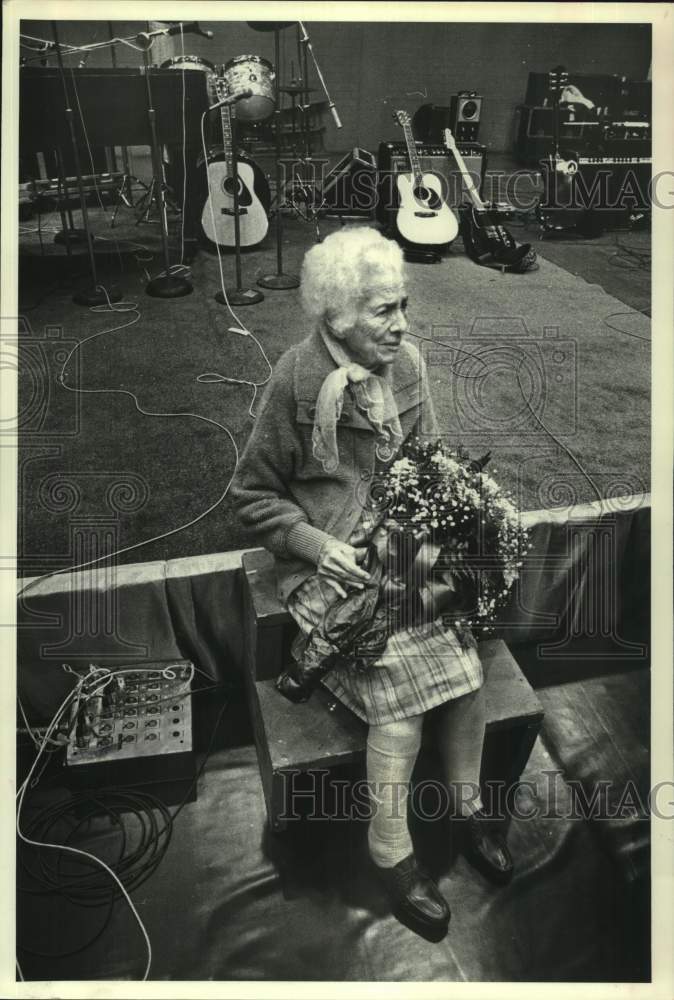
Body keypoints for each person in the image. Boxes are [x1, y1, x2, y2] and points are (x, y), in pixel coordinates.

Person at [231, 227, 513, 937]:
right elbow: (252, 495)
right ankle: (389, 852)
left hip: (403, 554)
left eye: (403, 305)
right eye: (384, 311)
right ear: (335, 317)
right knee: (399, 695)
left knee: (469, 669)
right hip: (328, 571)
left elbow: (432, 460)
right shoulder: (294, 380)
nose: (403, 325)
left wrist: (459, 522)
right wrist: (317, 544)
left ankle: (469, 807)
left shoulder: (407, 363)